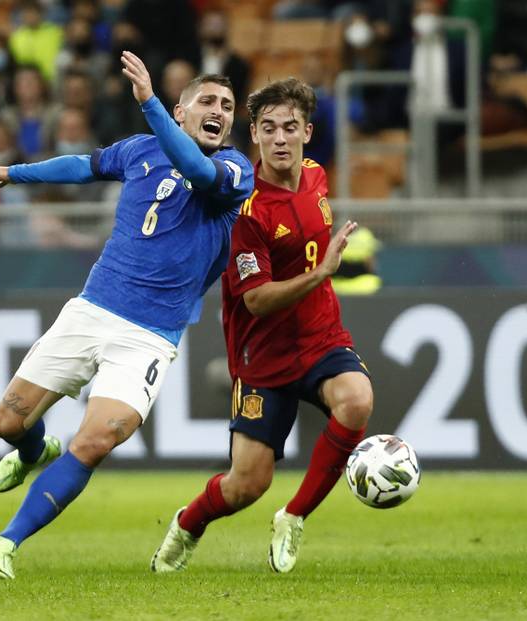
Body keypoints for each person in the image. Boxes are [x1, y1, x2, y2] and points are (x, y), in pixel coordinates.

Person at [0, 51, 253, 579]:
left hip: (147, 337)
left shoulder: (235, 170)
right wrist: (14, 173)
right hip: (91, 311)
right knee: (8, 423)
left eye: (228, 105)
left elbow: (194, 168)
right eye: (208, 101)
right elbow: (83, 166)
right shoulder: (140, 150)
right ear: (183, 111)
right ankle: (34, 449)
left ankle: (4, 545)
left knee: (96, 440)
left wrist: (148, 103)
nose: (221, 111)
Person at [151, 78, 371, 574]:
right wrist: (322, 274)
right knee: (246, 484)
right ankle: (188, 523)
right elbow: (255, 300)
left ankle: (293, 517)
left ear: (307, 133)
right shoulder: (247, 210)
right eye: (268, 128)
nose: (279, 138)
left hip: (320, 338)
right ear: (254, 135)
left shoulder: (315, 176)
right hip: (263, 356)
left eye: (289, 128)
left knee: (357, 401)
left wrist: (322, 276)